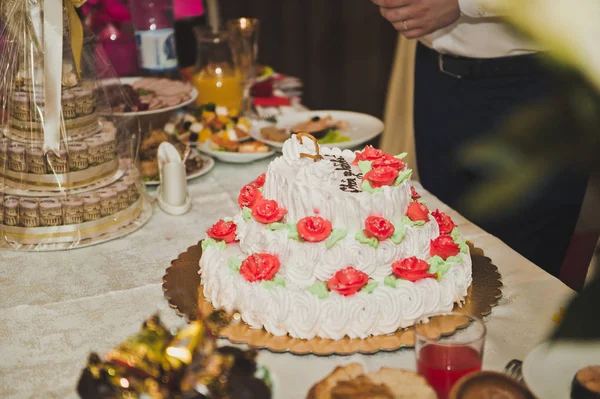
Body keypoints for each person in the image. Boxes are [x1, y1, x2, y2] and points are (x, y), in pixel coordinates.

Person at [372, 0, 588, 277]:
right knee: (441, 243)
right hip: (435, 72)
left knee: (525, 266)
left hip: (536, 82)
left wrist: (464, 3)